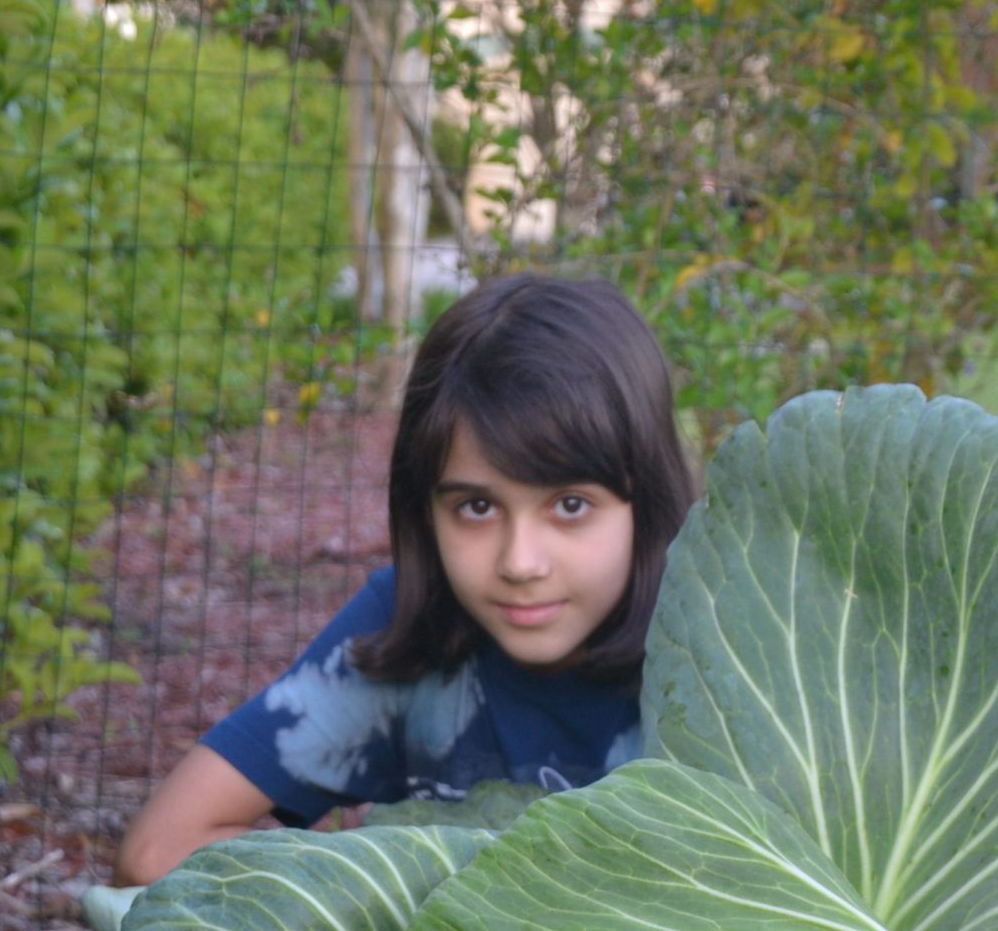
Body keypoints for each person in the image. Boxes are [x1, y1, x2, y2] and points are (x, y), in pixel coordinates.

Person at [113, 275, 696, 884]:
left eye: (570, 505)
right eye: (476, 507)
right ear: (424, 511)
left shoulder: (726, 656)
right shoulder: (416, 629)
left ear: (646, 501)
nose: (520, 563)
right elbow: (153, 852)